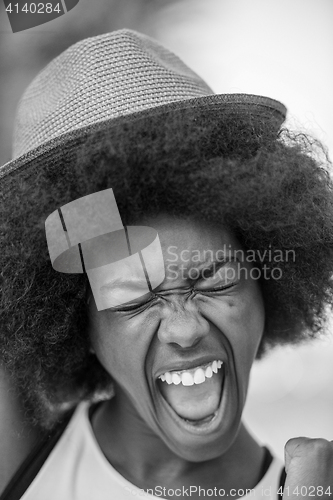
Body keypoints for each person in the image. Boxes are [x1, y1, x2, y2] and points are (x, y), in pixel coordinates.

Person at [0, 29, 332, 500]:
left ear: (263, 287)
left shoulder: (308, 489)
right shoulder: (18, 455)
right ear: (83, 326)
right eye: (134, 299)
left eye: (215, 281)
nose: (184, 329)